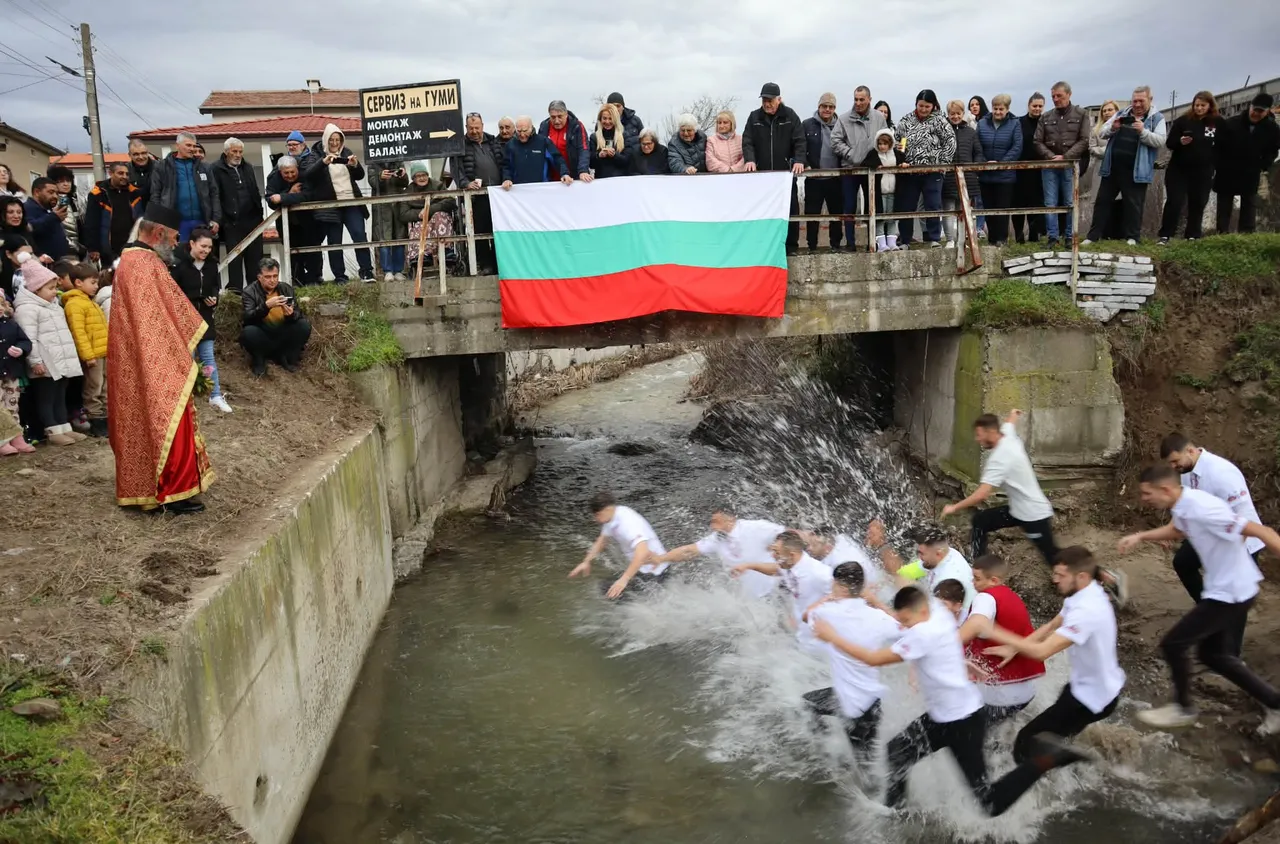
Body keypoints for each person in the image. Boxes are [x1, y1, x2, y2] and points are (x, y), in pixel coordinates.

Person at [815, 583, 1091, 816]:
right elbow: (940, 634)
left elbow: (872, 658)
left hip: (963, 723)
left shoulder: (922, 634)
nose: (903, 627)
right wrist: (959, 663)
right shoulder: (938, 614)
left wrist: (832, 636)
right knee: (896, 753)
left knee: (988, 803)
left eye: (906, 621)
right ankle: (895, 813)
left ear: (921, 612)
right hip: (942, 717)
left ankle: (1045, 759)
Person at [1119, 466, 1280, 733]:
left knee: (1173, 644)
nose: (1144, 499)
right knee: (1213, 655)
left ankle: (1183, 708)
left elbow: (1263, 532)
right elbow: (1178, 529)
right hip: (1223, 589)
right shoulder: (1183, 504)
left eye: (1147, 494)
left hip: (1232, 592)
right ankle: (1274, 703)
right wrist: (1141, 536)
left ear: (1165, 489)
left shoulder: (1204, 508)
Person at [108, 203, 214, 513]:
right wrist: (175, 359)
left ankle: (153, 491)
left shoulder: (134, 261)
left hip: (142, 355)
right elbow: (153, 323)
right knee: (167, 415)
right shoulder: (143, 264)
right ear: (158, 233)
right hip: (154, 356)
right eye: (175, 237)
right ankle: (173, 491)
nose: (177, 243)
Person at [979, 546, 1124, 766]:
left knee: (1025, 743)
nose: (1054, 579)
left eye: (1061, 575)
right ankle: (1065, 759)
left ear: (1082, 576)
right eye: (1054, 573)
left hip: (1092, 698)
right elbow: (1053, 625)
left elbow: (1042, 652)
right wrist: (1014, 648)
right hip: (1086, 688)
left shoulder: (1087, 611)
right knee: (1050, 740)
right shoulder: (1082, 594)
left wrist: (994, 631)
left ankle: (1071, 760)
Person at [1161, 433, 1263, 655]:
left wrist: (1230, 557)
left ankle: (1230, 655)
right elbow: (1186, 503)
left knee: (1234, 593)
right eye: (1170, 463)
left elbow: (1243, 518)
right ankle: (1211, 614)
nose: (1173, 467)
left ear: (1190, 451)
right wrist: (1171, 529)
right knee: (1183, 562)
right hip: (1210, 535)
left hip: (1241, 541)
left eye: (1175, 461)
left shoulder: (1221, 473)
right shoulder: (1187, 471)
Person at [802, 562, 900, 763]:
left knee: (806, 704)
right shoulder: (878, 618)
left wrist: (827, 598)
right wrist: (877, 602)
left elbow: (806, 616)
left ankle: (828, 753)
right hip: (872, 704)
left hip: (851, 704)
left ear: (843, 588)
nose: (831, 587)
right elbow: (907, 628)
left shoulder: (827, 613)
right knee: (868, 761)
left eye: (834, 584)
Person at [944, 410, 1058, 566]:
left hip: (1033, 514)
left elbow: (981, 495)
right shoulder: (1007, 435)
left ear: (991, 432)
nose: (977, 439)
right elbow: (1010, 423)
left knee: (1053, 558)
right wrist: (1013, 413)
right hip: (1017, 510)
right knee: (981, 520)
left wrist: (954, 507)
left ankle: (1090, 573)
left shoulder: (999, 458)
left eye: (979, 435)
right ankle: (979, 566)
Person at [953, 555, 1046, 723]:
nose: (973, 583)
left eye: (977, 578)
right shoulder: (1013, 597)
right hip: (1025, 692)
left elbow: (977, 623)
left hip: (999, 696)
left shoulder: (985, 598)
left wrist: (941, 645)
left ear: (994, 580)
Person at [1083, 86, 1168, 246]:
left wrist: (1143, 131)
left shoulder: (1156, 118)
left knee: (1133, 204)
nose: (1137, 104)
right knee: (1102, 202)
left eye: (1141, 101)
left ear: (1150, 100)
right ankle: (1093, 236)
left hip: (1136, 170)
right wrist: (1113, 128)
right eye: (1134, 101)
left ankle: (1133, 237)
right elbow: (1102, 132)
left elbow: (1160, 140)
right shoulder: (1122, 113)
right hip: (1113, 167)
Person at [12, 262, 83, 446]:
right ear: (36, 289)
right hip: (45, 362)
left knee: (60, 394)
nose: (54, 291)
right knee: (47, 397)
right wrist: (35, 361)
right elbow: (29, 338)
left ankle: (64, 426)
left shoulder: (54, 306)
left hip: (60, 361)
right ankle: (52, 429)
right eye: (50, 288)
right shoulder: (27, 309)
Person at [650, 506, 785, 598]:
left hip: (774, 592)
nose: (712, 526)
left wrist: (779, 547)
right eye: (712, 522)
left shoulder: (756, 528)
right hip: (749, 600)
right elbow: (689, 551)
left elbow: (789, 534)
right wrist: (661, 559)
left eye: (716, 522)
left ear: (730, 519)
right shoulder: (716, 538)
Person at [732, 530, 833, 652]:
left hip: (824, 643)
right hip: (803, 637)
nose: (773, 555)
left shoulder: (819, 573)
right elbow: (775, 569)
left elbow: (847, 593)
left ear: (791, 555)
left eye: (776, 552)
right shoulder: (790, 565)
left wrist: (814, 608)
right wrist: (749, 566)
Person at [742, 82, 806, 255]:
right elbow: (747, 141)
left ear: (779, 99)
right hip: (762, 176)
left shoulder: (790, 116)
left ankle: (791, 246)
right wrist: (750, 160)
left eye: (770, 100)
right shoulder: (754, 117)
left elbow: (800, 140)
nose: (767, 104)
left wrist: (799, 160)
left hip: (785, 175)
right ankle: (764, 246)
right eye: (764, 100)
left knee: (790, 209)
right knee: (763, 212)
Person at [171, 229, 230, 413]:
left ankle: (215, 395)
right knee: (186, 359)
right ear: (192, 244)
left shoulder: (212, 264)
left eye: (209, 247)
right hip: (184, 318)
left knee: (208, 357)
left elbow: (215, 286)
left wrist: (214, 298)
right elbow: (172, 292)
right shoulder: (178, 264)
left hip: (205, 317)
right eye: (203, 246)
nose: (206, 250)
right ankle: (184, 399)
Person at [569, 490, 669, 599]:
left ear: (607, 509)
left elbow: (642, 552)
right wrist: (586, 561)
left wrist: (623, 580)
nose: (596, 519)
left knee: (612, 593)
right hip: (642, 569)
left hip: (656, 573)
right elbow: (602, 540)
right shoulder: (612, 517)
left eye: (597, 515)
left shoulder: (627, 523)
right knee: (605, 588)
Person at [311, 124, 374, 282]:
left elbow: (359, 176)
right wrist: (323, 162)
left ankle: (366, 271)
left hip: (351, 202)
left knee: (359, 235)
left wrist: (355, 165)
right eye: (331, 140)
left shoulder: (346, 152)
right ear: (326, 140)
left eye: (337, 140)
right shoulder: (316, 154)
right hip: (331, 206)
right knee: (335, 241)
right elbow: (309, 175)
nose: (334, 143)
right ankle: (340, 276)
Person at [895, 89, 956, 248]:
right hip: (910, 171)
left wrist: (941, 164)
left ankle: (934, 238)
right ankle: (905, 240)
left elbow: (950, 142)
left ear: (933, 105)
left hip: (933, 171)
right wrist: (899, 155)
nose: (923, 109)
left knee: (933, 204)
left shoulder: (940, 120)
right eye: (920, 106)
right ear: (916, 104)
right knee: (907, 206)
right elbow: (897, 141)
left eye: (927, 106)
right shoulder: (906, 120)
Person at [1157, 91, 1220, 245]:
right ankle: (1165, 235)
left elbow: (1223, 145)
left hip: (1203, 171)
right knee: (1175, 201)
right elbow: (1170, 143)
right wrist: (1180, 141)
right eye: (1196, 105)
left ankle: (1193, 235)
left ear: (1210, 106)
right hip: (1179, 170)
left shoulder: (1216, 123)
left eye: (1203, 105)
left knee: (1198, 202)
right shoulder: (1182, 121)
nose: (1199, 108)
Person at [1214, 93, 1279, 235]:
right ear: (1250, 107)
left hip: (1251, 171)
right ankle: (1221, 234)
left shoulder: (1272, 129)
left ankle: (1247, 235)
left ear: (1267, 111)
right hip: (1227, 170)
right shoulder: (1231, 123)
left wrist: (1263, 164)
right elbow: (1217, 146)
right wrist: (1218, 164)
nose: (1256, 113)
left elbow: (1273, 150)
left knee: (1249, 204)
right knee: (1224, 205)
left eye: (1261, 111)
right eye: (1254, 109)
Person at [831, 86, 887, 251]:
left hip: (872, 169)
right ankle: (850, 244)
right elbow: (835, 140)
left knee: (873, 205)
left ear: (869, 99)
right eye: (856, 99)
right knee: (849, 206)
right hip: (850, 169)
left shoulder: (879, 118)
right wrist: (850, 154)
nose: (858, 102)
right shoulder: (843, 119)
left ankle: (873, 242)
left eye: (862, 99)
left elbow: (885, 138)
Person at [1034, 82, 1089, 248]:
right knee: (1050, 202)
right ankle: (1052, 237)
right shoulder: (1046, 117)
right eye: (1053, 96)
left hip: (1070, 164)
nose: (1056, 99)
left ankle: (1070, 236)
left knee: (1070, 201)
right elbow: (1037, 141)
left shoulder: (1082, 114)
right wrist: (1051, 157)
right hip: (1050, 164)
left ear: (1069, 95)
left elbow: (1084, 140)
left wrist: (1066, 157)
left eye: (1059, 96)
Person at [876, 522, 974, 610]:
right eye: (918, 553)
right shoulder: (944, 553)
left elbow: (931, 612)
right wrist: (885, 581)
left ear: (938, 554)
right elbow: (905, 572)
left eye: (922, 554)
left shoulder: (948, 579)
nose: (919, 557)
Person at [240, 257, 311, 378]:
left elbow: (298, 314)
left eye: (275, 276)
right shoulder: (249, 292)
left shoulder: (286, 288)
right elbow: (248, 318)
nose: (272, 280)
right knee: (248, 332)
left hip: (283, 331)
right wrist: (266, 306)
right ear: (259, 277)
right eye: (268, 277)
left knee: (303, 325)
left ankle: (288, 358)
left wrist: (290, 315)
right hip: (263, 332)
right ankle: (259, 360)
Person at [210, 137, 264, 293]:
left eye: (240, 151)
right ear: (226, 151)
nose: (238, 155)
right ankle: (235, 294)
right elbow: (215, 195)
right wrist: (220, 219)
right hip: (231, 222)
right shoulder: (215, 169)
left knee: (255, 259)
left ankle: (255, 292)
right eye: (234, 151)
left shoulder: (248, 167)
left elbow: (255, 190)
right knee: (234, 260)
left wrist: (259, 214)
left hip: (253, 221)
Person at [61, 264, 109, 437]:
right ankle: (96, 419)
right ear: (79, 282)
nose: (96, 286)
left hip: (103, 352)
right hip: (93, 355)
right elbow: (78, 333)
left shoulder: (90, 302)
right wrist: (88, 356)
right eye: (93, 282)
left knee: (104, 386)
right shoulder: (74, 304)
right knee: (93, 387)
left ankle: (107, 416)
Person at [150, 132, 220, 243]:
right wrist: (159, 220)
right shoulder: (162, 167)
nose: (192, 149)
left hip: (202, 222)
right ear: (177, 145)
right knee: (179, 253)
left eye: (194, 146)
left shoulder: (204, 167)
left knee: (202, 253)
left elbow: (214, 193)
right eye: (188, 145)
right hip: (175, 224)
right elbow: (155, 194)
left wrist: (215, 219)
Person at [265, 154, 322, 287]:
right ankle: (297, 281)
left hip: (308, 221)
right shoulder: (273, 178)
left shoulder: (305, 175)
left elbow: (306, 196)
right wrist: (290, 193)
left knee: (313, 251)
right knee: (292, 253)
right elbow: (271, 201)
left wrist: (282, 198)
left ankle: (314, 279)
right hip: (287, 223)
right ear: (280, 171)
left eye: (292, 172)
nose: (290, 175)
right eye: (286, 173)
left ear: (297, 168)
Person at [976, 94, 1024, 246]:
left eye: (1001, 109)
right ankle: (992, 239)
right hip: (986, 174)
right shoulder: (982, 123)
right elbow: (977, 146)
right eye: (995, 109)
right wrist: (984, 162)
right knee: (988, 208)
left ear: (1007, 109)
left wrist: (1001, 163)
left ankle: (1002, 239)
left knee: (1002, 208)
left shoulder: (1015, 123)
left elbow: (1017, 146)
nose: (997, 112)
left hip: (1005, 175)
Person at [460, 113, 505, 274]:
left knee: (499, 229)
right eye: (471, 128)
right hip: (477, 195)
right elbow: (457, 169)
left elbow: (503, 162)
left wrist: (506, 179)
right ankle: (486, 265)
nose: (474, 131)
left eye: (477, 128)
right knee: (480, 230)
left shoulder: (493, 141)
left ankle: (500, 263)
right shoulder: (461, 145)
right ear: (466, 128)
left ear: (482, 126)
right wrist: (465, 183)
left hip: (498, 194)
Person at [803, 93, 845, 251]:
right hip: (814, 177)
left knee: (836, 214)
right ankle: (812, 246)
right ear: (819, 106)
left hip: (835, 178)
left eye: (831, 107)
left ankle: (835, 245)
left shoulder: (841, 125)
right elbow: (800, 147)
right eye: (824, 106)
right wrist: (805, 164)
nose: (827, 109)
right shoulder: (807, 124)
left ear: (834, 108)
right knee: (812, 214)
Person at [941, 99, 985, 249]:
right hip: (948, 177)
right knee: (948, 210)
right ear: (948, 114)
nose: (955, 116)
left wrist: (974, 169)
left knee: (964, 211)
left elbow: (978, 152)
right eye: (952, 114)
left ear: (963, 113)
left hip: (967, 177)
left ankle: (962, 240)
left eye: (958, 113)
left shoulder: (971, 132)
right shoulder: (943, 131)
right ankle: (950, 240)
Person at [84, 163, 142, 270]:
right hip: (108, 249)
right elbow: (91, 222)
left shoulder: (135, 193)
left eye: (127, 174)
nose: (124, 176)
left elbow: (141, 219)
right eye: (120, 173)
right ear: (110, 173)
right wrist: (93, 248)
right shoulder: (98, 194)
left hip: (132, 246)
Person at [0, 290, 33, 454]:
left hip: (11, 372)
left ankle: (17, 437)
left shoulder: (11, 324)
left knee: (12, 405)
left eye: (1, 303)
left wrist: (20, 349)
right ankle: (3, 440)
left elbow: (25, 341)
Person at [1011, 93, 1047, 244]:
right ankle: (1019, 236)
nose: (1037, 108)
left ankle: (1034, 236)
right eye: (1034, 106)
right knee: (1018, 203)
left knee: (1036, 203)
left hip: (1039, 170)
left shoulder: (1045, 123)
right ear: (1029, 105)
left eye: (1040, 106)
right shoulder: (1019, 122)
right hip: (1020, 169)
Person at [861, 128, 904, 251]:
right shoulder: (872, 154)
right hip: (879, 193)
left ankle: (892, 243)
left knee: (891, 218)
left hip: (894, 191)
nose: (882, 146)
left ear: (890, 143)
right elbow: (865, 165)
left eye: (885, 144)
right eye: (880, 144)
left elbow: (904, 162)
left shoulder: (897, 154)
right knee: (879, 218)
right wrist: (875, 166)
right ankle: (881, 244)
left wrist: (903, 165)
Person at [502, 117, 574, 188]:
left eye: (525, 131)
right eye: (519, 131)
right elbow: (506, 166)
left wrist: (564, 173)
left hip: (541, 188)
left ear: (531, 128)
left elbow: (557, 159)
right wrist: (506, 179)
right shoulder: (510, 145)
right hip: (519, 189)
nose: (522, 134)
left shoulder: (543, 142)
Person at [369, 159, 410, 282]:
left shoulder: (398, 160)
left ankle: (398, 270)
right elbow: (372, 182)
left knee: (400, 235)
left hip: (398, 203)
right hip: (381, 205)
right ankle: (387, 271)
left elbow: (405, 182)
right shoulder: (373, 161)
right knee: (383, 237)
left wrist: (402, 175)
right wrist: (380, 177)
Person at [1084, 101, 1121, 229]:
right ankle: (1100, 230)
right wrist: (1109, 151)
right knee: (1101, 199)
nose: (1107, 113)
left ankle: (1117, 231)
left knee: (1118, 200)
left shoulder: (1123, 129)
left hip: (1118, 167)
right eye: (1104, 111)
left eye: (1110, 110)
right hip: (1100, 167)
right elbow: (1092, 148)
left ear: (1116, 111)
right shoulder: (1096, 130)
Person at [538, 101, 593, 183]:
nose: (556, 121)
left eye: (560, 116)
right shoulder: (544, 127)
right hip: (551, 178)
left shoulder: (577, 126)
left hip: (574, 176)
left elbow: (583, 148)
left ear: (566, 114)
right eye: (553, 117)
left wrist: (583, 170)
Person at [24, 177, 72, 261]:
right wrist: (53, 217)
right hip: (43, 262)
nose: (55, 196)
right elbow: (30, 228)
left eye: (56, 193)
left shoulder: (48, 210)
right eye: (51, 192)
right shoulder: (26, 209)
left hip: (60, 260)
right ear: (37, 192)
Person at [46, 165, 83, 260]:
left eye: (68, 181)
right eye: (60, 181)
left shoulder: (77, 200)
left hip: (82, 248)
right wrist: (75, 247)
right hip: (64, 251)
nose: (66, 184)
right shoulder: (51, 202)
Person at [589, 104, 632, 179]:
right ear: (600, 119)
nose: (607, 122)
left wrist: (615, 155)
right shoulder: (594, 137)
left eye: (610, 118)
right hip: (601, 179)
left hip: (621, 179)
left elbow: (628, 161)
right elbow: (591, 163)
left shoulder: (624, 136)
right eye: (604, 118)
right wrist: (599, 155)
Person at [126, 140, 156, 211]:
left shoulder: (160, 168)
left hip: (157, 212)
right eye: (136, 154)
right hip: (134, 213)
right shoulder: (125, 171)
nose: (141, 157)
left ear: (148, 152)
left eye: (143, 153)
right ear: (129, 155)